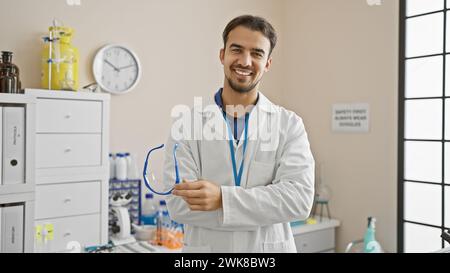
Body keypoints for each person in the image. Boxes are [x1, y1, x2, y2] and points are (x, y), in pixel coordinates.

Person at [163, 15, 315, 253]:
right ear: (222, 55)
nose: (245, 61)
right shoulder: (187, 125)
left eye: (256, 53)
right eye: (237, 50)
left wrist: (222, 200)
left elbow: (298, 201)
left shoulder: (289, 125)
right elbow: (179, 206)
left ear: (267, 63)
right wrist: (264, 205)